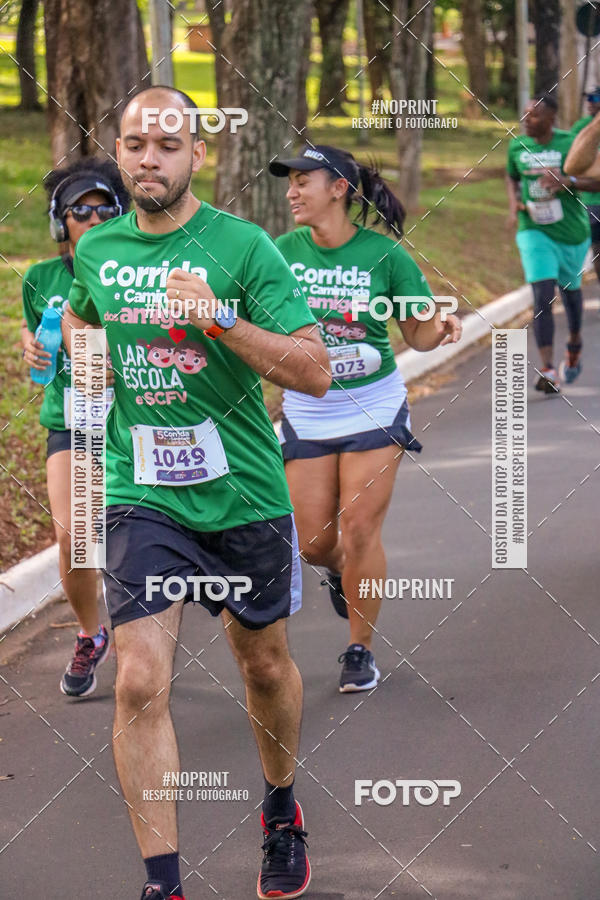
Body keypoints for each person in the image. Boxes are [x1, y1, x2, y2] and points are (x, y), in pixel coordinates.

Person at [61, 86, 330, 900]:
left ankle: (280, 808)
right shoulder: (98, 250)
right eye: (136, 142)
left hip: (244, 493)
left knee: (265, 667)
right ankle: (163, 883)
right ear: (120, 149)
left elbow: (314, 369)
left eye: (167, 143)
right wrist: (87, 365)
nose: (150, 157)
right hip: (144, 494)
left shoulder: (244, 247)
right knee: (140, 679)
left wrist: (218, 321)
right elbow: (80, 321)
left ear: (197, 155)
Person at [269, 144, 462, 693]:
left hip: (373, 404)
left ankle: (360, 649)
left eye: (304, 180)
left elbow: (417, 335)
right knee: (312, 543)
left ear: (339, 189)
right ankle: (339, 574)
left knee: (358, 527)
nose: (293, 191)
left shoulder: (386, 256)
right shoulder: (280, 252)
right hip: (308, 408)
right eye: (291, 182)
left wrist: (439, 324)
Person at [21, 158, 128, 697]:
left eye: (102, 208)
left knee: (137, 535)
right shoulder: (41, 278)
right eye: (77, 212)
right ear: (60, 223)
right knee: (73, 536)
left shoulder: (130, 272)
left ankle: (145, 636)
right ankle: (92, 633)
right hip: (73, 419)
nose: (91, 218)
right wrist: (31, 345)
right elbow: (34, 340)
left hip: (135, 416)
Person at [506, 93, 599, 392]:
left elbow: (597, 181)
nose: (526, 121)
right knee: (542, 292)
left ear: (551, 118)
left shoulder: (570, 142)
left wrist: (568, 182)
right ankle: (547, 368)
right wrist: (515, 203)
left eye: (533, 115)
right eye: (525, 114)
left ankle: (574, 342)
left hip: (570, 232)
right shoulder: (516, 146)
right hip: (533, 230)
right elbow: (512, 177)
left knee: (570, 293)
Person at [570, 88, 600, 287]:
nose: (590, 102)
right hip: (590, 202)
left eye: (595, 98)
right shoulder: (580, 128)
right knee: (597, 250)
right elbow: (572, 166)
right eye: (588, 98)